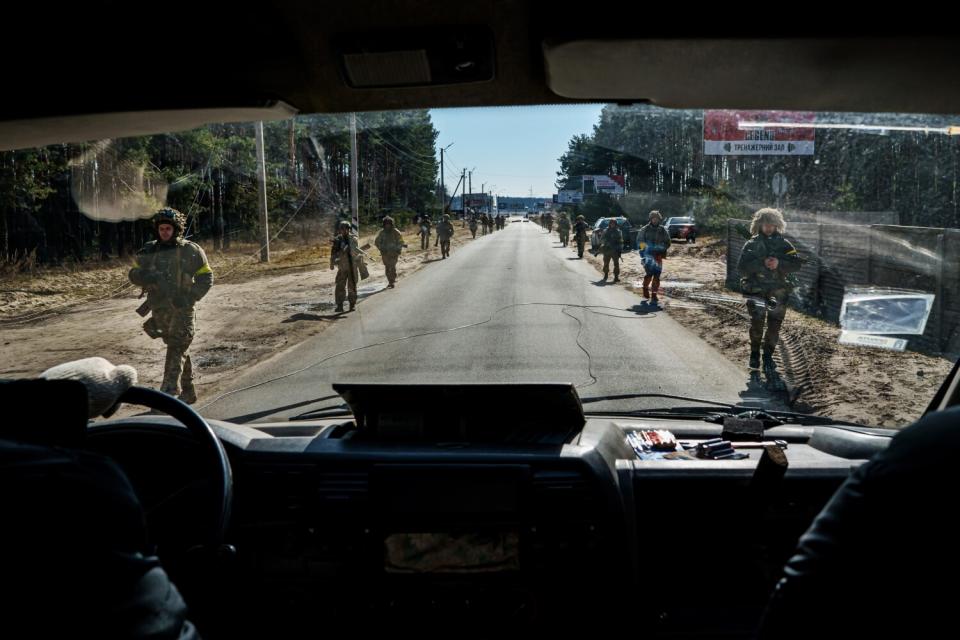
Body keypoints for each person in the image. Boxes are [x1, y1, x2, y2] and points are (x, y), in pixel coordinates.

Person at [128, 208, 213, 403]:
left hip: (183, 308)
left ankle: (167, 396)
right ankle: (189, 391)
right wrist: (143, 276)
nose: (164, 232)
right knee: (179, 348)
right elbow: (133, 273)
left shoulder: (190, 250)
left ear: (176, 229)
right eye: (161, 228)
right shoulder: (149, 250)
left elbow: (206, 277)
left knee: (176, 346)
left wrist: (191, 297)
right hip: (160, 310)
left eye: (168, 228)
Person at [736, 208, 802, 373]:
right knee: (757, 325)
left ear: (777, 225)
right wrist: (762, 264)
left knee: (774, 326)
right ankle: (754, 354)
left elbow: (796, 264)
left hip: (779, 291)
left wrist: (779, 264)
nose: (768, 227)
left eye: (772, 224)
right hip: (756, 290)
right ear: (759, 224)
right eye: (765, 224)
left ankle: (768, 356)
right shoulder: (751, 244)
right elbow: (741, 269)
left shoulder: (784, 244)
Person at [638, 210, 672, 305]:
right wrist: (643, 253)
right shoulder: (644, 229)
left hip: (658, 256)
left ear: (659, 219)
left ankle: (654, 294)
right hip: (648, 256)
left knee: (657, 276)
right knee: (649, 274)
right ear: (650, 219)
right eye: (653, 218)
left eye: (656, 218)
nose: (655, 220)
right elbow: (640, 241)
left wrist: (662, 248)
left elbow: (668, 242)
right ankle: (645, 288)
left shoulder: (662, 230)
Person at [330, 220, 360, 312]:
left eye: (346, 229)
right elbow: (333, 253)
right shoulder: (337, 240)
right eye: (342, 229)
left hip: (352, 266)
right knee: (339, 286)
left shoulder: (353, 239)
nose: (344, 230)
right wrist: (331, 263)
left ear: (349, 229)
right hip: (342, 267)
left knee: (352, 286)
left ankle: (352, 304)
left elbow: (355, 251)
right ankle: (340, 305)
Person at [375, 215, 405, 288]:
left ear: (391, 224)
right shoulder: (382, 233)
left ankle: (392, 280)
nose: (387, 225)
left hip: (394, 253)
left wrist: (398, 249)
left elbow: (401, 242)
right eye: (386, 224)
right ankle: (390, 281)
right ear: (384, 224)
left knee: (392, 266)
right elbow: (377, 242)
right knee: (387, 267)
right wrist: (381, 248)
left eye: (389, 224)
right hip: (385, 253)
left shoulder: (396, 232)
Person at [600, 218, 623, 283]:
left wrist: (620, 248)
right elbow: (601, 239)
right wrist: (606, 242)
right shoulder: (605, 231)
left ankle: (616, 277)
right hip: (607, 250)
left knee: (616, 264)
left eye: (614, 224)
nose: (612, 225)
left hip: (615, 250)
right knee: (606, 263)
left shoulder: (618, 231)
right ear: (609, 224)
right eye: (611, 223)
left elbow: (621, 241)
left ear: (616, 224)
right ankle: (606, 274)